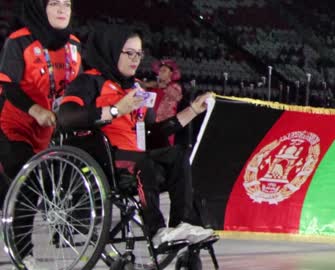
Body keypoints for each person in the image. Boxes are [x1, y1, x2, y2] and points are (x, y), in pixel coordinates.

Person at [58, 24, 213, 248]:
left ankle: (182, 224)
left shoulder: (137, 89)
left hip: (138, 159)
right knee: (143, 160)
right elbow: (66, 117)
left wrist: (193, 111)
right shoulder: (89, 82)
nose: (135, 60)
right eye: (129, 53)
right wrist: (115, 111)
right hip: (105, 160)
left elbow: (153, 134)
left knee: (179, 155)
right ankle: (156, 230)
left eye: (139, 54)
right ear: (111, 50)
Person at [0, 0, 81, 180]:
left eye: (67, 4)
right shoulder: (19, 40)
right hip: (13, 127)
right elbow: (9, 87)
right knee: (27, 182)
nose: (62, 10)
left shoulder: (74, 44)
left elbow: (78, 87)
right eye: (54, 4)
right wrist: (36, 111)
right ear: (40, 8)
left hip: (50, 130)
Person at [145, 59, 183, 147]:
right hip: (152, 122)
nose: (160, 73)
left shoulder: (175, 86)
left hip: (166, 123)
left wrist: (164, 86)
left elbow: (178, 97)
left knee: (164, 146)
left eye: (164, 71)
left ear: (171, 74)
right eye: (160, 70)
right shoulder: (154, 87)